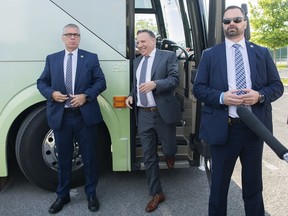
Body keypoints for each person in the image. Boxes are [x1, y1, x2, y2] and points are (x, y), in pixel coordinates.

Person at [193, 5, 283, 216]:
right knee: (218, 188)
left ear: (244, 23)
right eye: (226, 21)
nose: (231, 23)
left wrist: (259, 96)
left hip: (254, 130)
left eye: (236, 19)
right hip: (225, 131)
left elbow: (277, 86)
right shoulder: (210, 54)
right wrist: (222, 97)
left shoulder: (261, 53)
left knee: (253, 187)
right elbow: (198, 88)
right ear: (223, 26)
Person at [37, 23, 106, 214]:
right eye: (69, 34)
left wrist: (86, 96)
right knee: (64, 159)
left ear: (79, 37)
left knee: (90, 158)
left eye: (76, 35)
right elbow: (41, 82)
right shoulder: (52, 59)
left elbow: (101, 82)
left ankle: (91, 194)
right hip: (62, 118)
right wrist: (51, 94)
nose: (72, 38)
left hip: (85, 118)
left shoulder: (90, 58)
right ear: (63, 38)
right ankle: (62, 195)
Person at [125, 29, 181, 213]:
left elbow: (174, 80)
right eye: (137, 43)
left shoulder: (168, 56)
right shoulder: (137, 61)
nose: (139, 45)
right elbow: (136, 85)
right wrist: (131, 96)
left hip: (162, 112)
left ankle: (170, 154)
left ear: (153, 41)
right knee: (149, 156)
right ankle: (156, 193)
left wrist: (155, 84)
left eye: (143, 41)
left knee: (169, 147)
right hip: (144, 115)